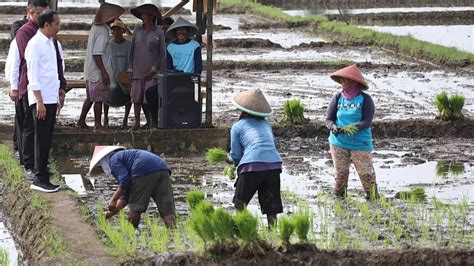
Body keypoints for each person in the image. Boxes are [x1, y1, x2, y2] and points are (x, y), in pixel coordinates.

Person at [227, 89, 283, 228]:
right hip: (274, 165)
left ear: (242, 110)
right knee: (271, 207)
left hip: (252, 166)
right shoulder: (266, 124)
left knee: (240, 204)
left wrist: (227, 159)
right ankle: (273, 234)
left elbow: (236, 156)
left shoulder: (237, 126)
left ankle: (240, 231)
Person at [325, 64, 378, 200]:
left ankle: (373, 199)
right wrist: (334, 127)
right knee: (340, 175)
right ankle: (340, 201)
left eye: (345, 80)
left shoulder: (365, 100)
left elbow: (366, 122)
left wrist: (349, 128)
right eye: (341, 80)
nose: (342, 83)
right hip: (338, 142)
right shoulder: (337, 98)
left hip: (360, 143)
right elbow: (329, 119)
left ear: (354, 82)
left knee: (367, 175)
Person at [89, 146, 176, 229]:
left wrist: (113, 199)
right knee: (167, 210)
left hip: (142, 169)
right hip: (163, 168)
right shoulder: (125, 157)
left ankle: (133, 235)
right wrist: (110, 213)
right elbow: (126, 194)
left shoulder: (113, 160)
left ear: (103, 161)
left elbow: (124, 181)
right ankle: (172, 236)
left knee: (135, 208)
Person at [25, 9, 62, 192]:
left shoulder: (50, 42)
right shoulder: (35, 45)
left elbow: (52, 73)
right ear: (46, 25)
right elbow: (33, 76)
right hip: (41, 99)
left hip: (49, 97)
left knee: (46, 139)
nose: (59, 27)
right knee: (41, 139)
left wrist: (57, 97)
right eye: (56, 24)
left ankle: (44, 175)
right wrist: (39, 101)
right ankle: (39, 179)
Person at [13, 0, 49, 180]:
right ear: (30, 12)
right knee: (29, 127)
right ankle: (28, 164)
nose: (43, 16)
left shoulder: (45, 32)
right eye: (40, 13)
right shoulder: (25, 32)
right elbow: (26, 62)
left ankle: (38, 164)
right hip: (29, 85)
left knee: (39, 128)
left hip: (42, 87)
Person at [76, 2, 124, 132]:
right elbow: (97, 54)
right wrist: (104, 72)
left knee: (91, 97)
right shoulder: (102, 32)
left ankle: (81, 121)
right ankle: (98, 125)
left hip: (90, 70)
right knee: (99, 99)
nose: (114, 20)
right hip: (97, 71)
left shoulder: (95, 28)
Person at [129, 3, 166, 130]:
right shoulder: (137, 32)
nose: (143, 16)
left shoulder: (159, 32)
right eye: (142, 14)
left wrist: (154, 69)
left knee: (148, 97)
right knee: (136, 98)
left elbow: (162, 54)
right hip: (137, 69)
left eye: (145, 14)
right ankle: (137, 122)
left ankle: (151, 122)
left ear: (151, 16)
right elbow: (132, 51)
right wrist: (130, 69)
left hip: (152, 70)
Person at [103, 18, 132, 129]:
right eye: (113, 30)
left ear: (123, 31)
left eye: (118, 30)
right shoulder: (108, 45)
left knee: (129, 94)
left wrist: (128, 73)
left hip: (124, 74)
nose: (116, 33)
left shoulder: (128, 45)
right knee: (107, 95)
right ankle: (105, 117)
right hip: (111, 74)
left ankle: (125, 119)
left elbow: (131, 61)